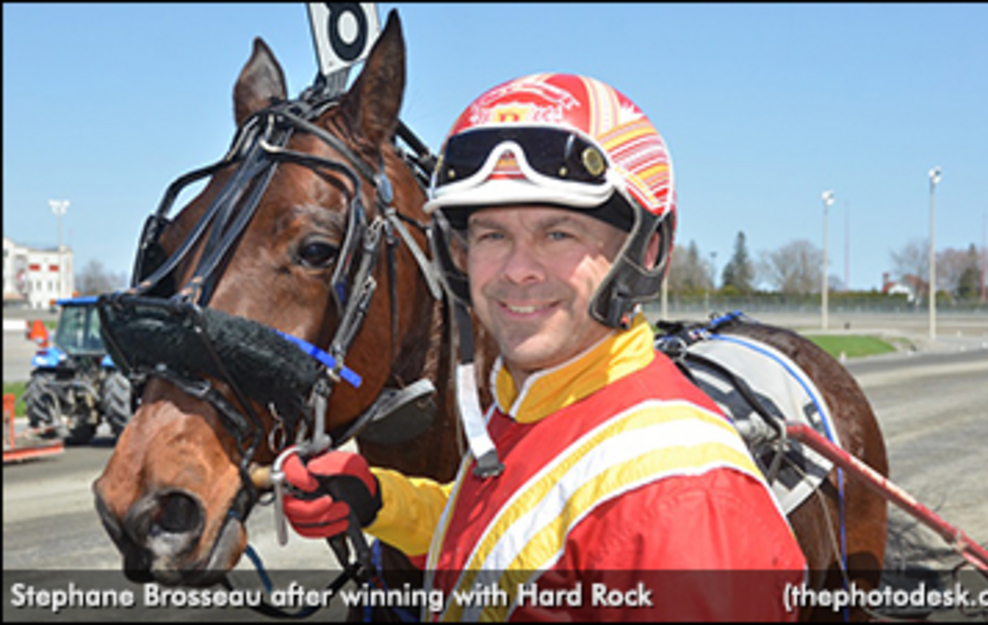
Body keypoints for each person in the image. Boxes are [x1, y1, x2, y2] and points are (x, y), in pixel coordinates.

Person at [282, 73, 807, 621]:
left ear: (643, 251)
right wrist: (380, 500)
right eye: (491, 235)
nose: (517, 271)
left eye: (558, 234)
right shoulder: (535, 402)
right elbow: (509, 535)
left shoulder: (683, 504)